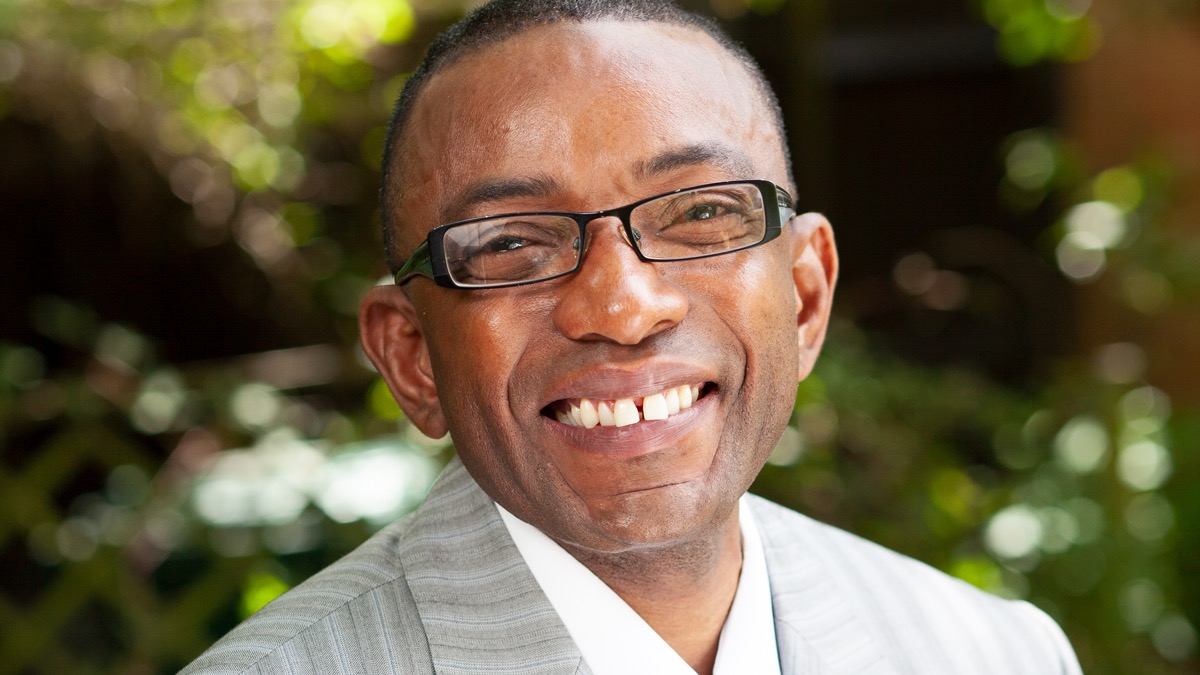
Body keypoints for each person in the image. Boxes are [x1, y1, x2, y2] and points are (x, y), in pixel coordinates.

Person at [182, 1, 1083, 673]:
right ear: (412, 359)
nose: (621, 306)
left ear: (805, 298)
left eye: (701, 212)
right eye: (511, 242)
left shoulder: (996, 653)